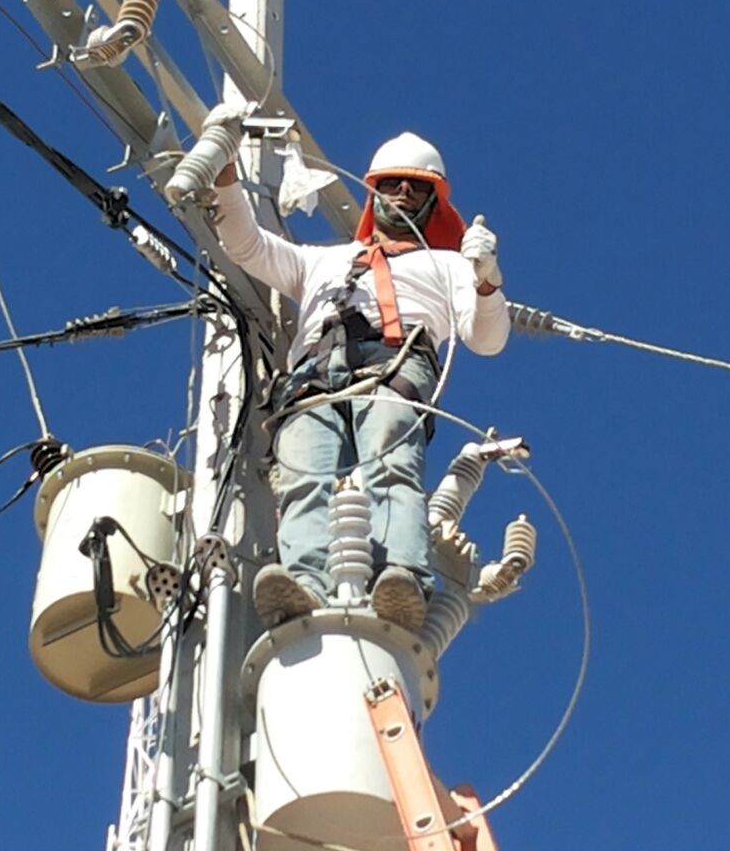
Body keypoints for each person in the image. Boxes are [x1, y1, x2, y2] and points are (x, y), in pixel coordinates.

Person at [208, 124, 510, 631]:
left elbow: (487, 338)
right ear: (375, 192)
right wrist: (224, 175)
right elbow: (246, 245)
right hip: (313, 377)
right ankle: (305, 584)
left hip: (395, 369)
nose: (404, 191)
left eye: (417, 186)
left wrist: (486, 282)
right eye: (392, 182)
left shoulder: (448, 266)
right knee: (305, 475)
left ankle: (402, 579)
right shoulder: (323, 260)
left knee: (390, 465)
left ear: (433, 202)